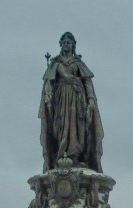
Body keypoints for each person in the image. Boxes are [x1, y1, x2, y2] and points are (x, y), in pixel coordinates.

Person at [39, 32, 103, 173]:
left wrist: (91, 99)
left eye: (69, 42)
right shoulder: (55, 63)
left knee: (78, 126)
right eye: (64, 42)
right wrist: (48, 96)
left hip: (77, 98)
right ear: (61, 44)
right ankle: (60, 155)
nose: (66, 44)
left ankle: (74, 155)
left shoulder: (78, 64)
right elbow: (49, 82)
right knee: (59, 125)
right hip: (60, 99)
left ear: (73, 45)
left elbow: (87, 82)